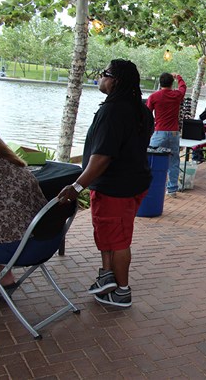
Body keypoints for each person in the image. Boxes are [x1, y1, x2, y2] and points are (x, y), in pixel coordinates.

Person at [57, 59, 154, 308]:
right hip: (133, 182)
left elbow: (102, 156)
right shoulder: (140, 109)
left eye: (105, 74)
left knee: (119, 239)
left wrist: (77, 186)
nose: (101, 78)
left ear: (116, 80)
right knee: (109, 233)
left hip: (116, 188)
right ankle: (107, 278)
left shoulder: (114, 111)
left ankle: (122, 292)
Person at [0, 129, 48, 295]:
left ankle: (1, 277)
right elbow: (41, 205)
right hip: (42, 244)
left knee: (2, 226)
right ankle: (6, 279)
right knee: (6, 221)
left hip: (11, 248)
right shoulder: (20, 168)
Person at [146, 72, 186, 198]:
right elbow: (183, 87)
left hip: (159, 132)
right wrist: (178, 76)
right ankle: (172, 189)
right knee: (174, 161)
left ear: (160, 82)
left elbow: (147, 114)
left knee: (151, 160)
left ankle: (149, 186)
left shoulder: (154, 97)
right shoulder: (176, 95)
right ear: (171, 83)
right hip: (174, 133)